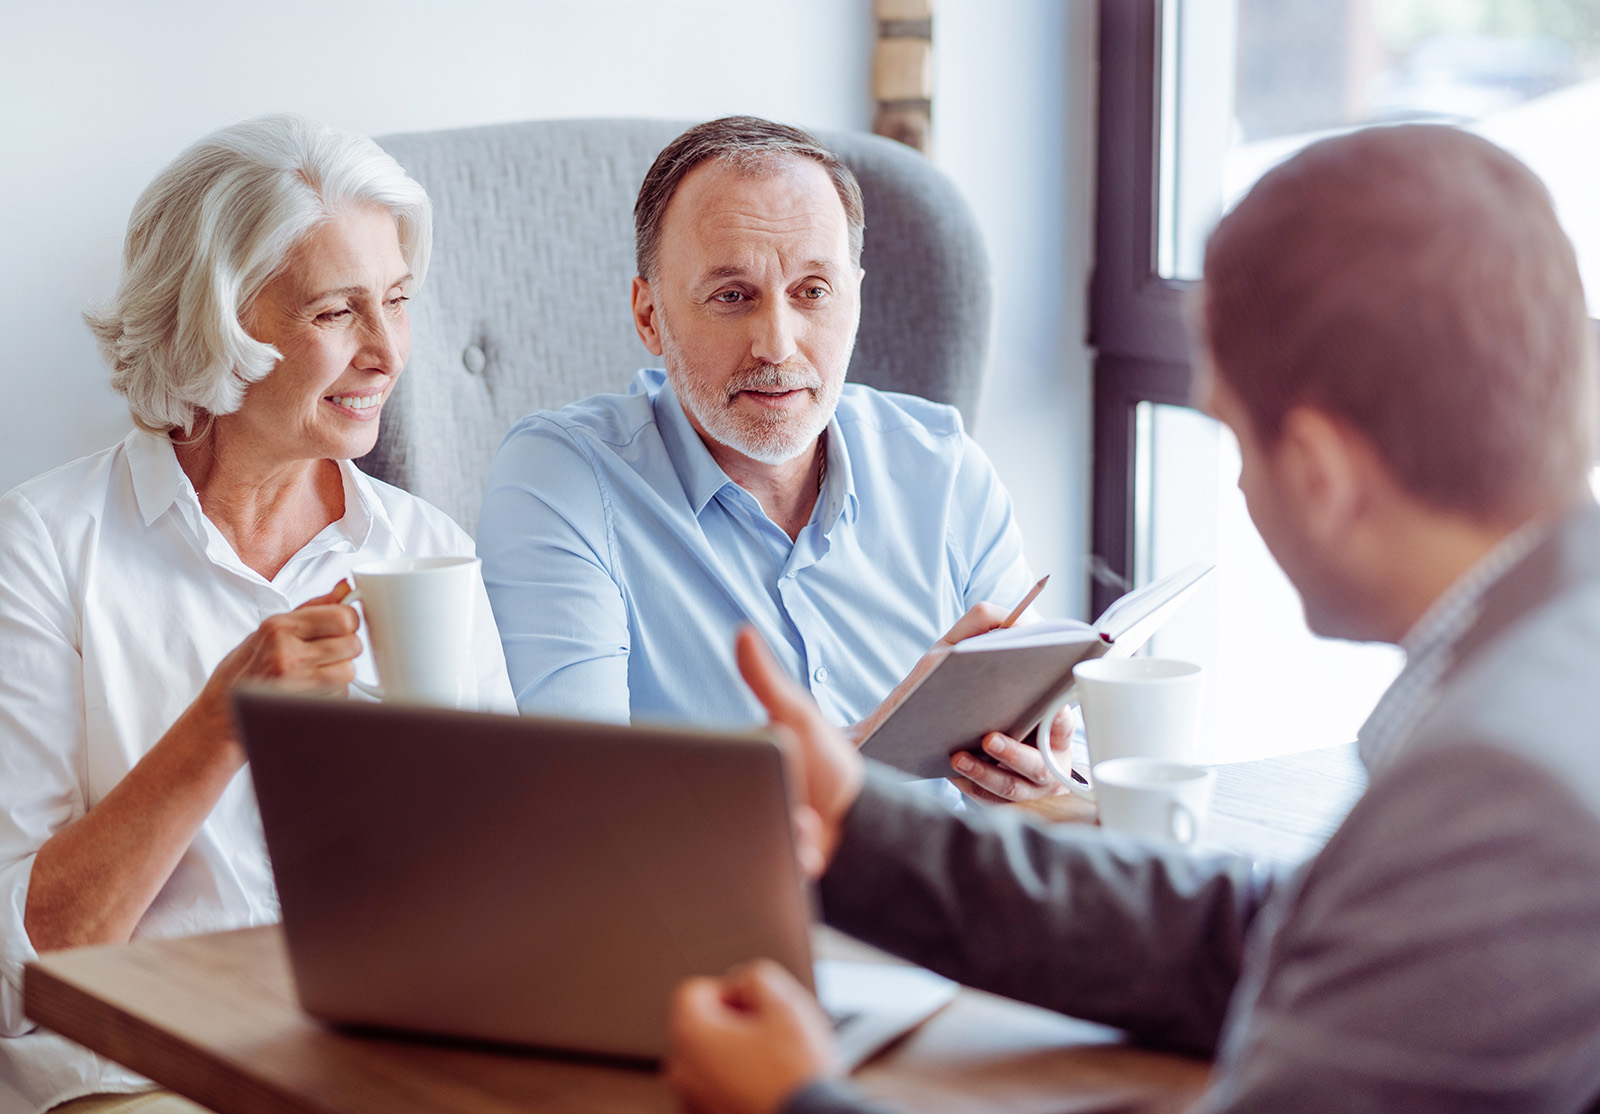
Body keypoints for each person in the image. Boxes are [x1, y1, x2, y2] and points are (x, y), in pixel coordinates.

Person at [662, 125, 1600, 1113]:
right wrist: (858, 823)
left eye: (1233, 435)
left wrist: (794, 1103)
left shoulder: (1499, 787)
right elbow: (1262, 936)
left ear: (1320, 474)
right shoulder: (1551, 662)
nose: (1237, 481)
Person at [0, 116, 514, 1114]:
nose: (386, 354)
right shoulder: (43, 547)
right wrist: (225, 718)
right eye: (335, 313)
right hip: (138, 1069)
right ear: (217, 323)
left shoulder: (426, 551)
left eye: (397, 303)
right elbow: (33, 956)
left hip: (383, 1052)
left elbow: (505, 882)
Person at [478, 116, 1071, 805]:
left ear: (854, 299)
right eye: (732, 297)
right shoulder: (562, 479)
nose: (777, 346)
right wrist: (886, 742)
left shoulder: (943, 467)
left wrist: (1034, 772)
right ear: (649, 317)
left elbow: (1056, 772)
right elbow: (581, 802)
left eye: (812, 292)